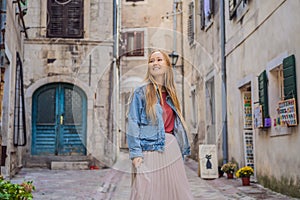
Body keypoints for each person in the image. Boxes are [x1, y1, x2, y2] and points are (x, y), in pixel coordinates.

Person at [126, 50, 193, 200]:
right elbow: (133, 123)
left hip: (172, 150)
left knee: (175, 194)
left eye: (159, 59)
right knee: (147, 194)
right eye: (151, 60)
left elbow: (176, 127)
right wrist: (136, 154)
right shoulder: (141, 92)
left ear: (168, 65)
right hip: (150, 150)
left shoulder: (171, 94)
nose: (155, 63)